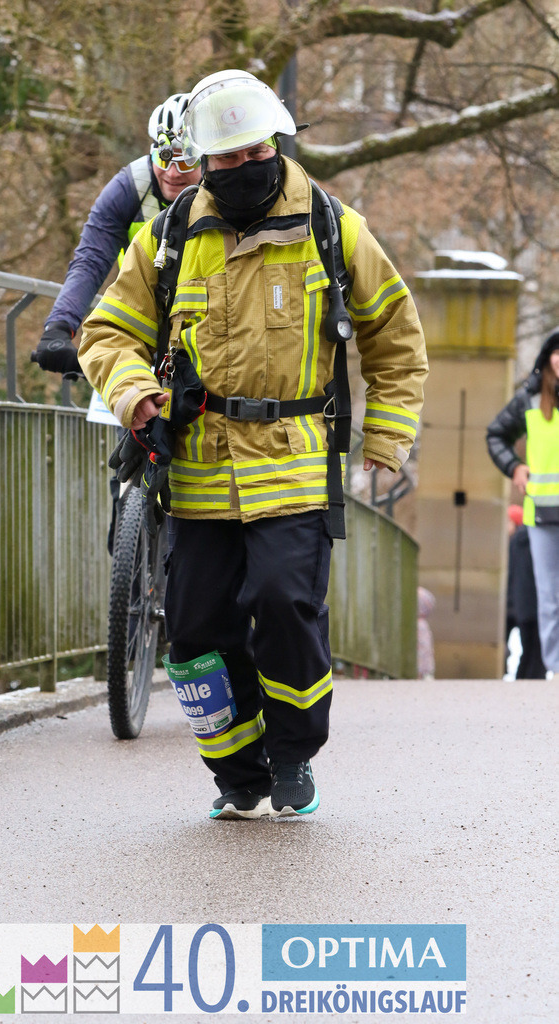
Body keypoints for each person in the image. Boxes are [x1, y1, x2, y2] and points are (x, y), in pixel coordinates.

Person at [79, 69, 429, 819]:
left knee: (282, 601)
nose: (243, 167)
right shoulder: (170, 236)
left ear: (276, 144)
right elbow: (106, 331)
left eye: (255, 152)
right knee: (194, 634)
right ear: (204, 162)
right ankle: (236, 771)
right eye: (227, 158)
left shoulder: (333, 227)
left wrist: (387, 433)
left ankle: (292, 754)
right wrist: (135, 392)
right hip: (200, 468)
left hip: (294, 461)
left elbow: (395, 335)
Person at [33, 93, 202, 377]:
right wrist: (59, 327)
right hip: (142, 319)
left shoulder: (220, 187)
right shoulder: (130, 187)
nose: (173, 173)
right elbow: (91, 259)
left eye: (186, 162)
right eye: (164, 158)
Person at [487, 330, 559, 682]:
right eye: (557, 352)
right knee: (549, 598)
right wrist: (515, 467)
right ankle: (556, 667)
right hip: (542, 515)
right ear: (547, 358)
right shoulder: (530, 400)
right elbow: (496, 434)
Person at [505, 505, 545, 680]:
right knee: (534, 653)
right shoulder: (528, 541)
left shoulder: (517, 542)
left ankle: (522, 684)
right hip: (532, 604)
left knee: (529, 652)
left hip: (521, 603)